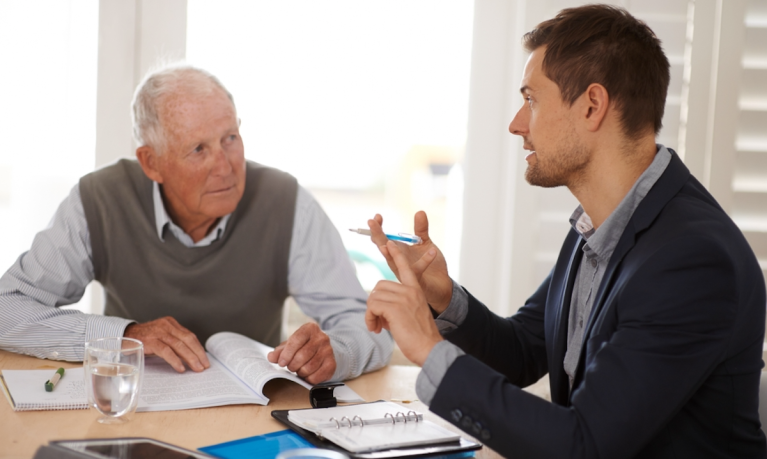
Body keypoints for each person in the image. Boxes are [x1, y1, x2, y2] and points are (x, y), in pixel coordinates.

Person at [364, 5, 766, 458]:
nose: (517, 124)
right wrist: (441, 298)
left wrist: (427, 347)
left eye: (531, 100)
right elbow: (522, 351)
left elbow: (584, 445)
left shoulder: (692, 260)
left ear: (592, 106)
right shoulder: (597, 225)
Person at [0, 64, 392, 384]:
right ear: (152, 162)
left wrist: (336, 353)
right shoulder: (99, 199)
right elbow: (6, 308)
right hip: (134, 403)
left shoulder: (287, 202)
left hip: (254, 412)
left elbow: (366, 324)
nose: (225, 167)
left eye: (230, 138)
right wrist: (124, 336)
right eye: (198, 149)